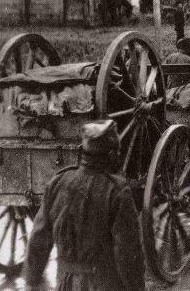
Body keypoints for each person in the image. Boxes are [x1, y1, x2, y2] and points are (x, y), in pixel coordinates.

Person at [23, 120, 145, 291]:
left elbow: (38, 238)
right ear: (111, 155)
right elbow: (128, 253)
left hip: (65, 284)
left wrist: (31, 281)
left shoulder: (57, 183)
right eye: (118, 152)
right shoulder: (117, 192)